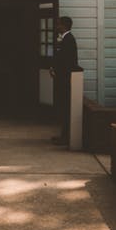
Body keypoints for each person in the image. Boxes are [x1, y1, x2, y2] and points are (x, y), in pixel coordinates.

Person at [50, 15, 79, 146]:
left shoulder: (69, 40)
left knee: (66, 107)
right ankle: (63, 135)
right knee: (63, 107)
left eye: (59, 24)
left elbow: (67, 60)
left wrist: (60, 73)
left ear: (65, 26)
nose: (57, 27)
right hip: (62, 77)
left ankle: (66, 137)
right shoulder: (64, 39)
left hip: (66, 78)